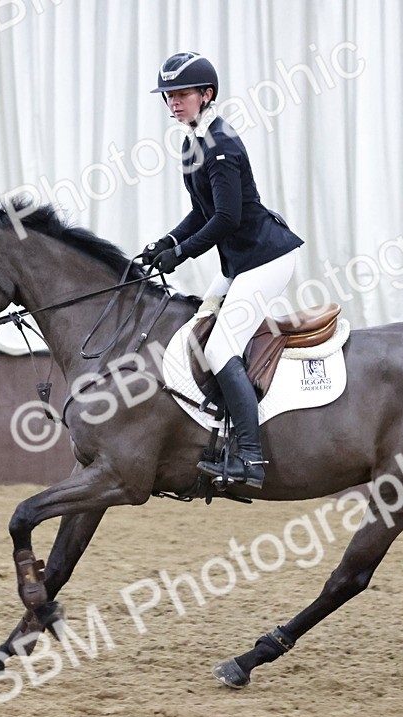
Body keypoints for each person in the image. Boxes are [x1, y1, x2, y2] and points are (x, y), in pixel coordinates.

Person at [137, 52, 303, 489]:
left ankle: (250, 458)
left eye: (182, 94)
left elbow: (226, 218)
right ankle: (219, 430)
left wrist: (184, 254)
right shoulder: (192, 142)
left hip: (266, 259)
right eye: (168, 96)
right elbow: (201, 212)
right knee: (197, 331)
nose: (173, 102)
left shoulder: (222, 145)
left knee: (217, 348)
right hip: (239, 262)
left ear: (206, 95)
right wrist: (166, 243)